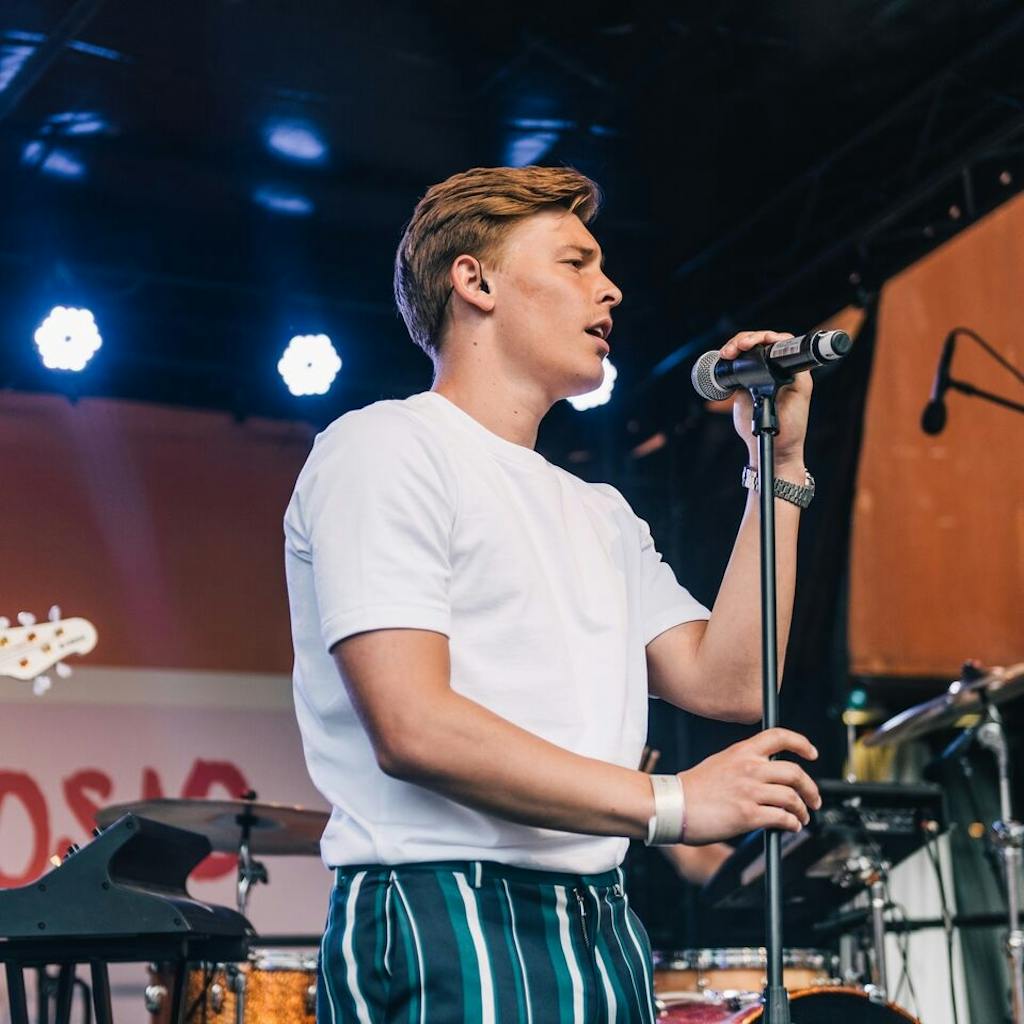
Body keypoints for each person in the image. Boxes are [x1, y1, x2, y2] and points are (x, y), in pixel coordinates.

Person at [283, 165, 821, 1024]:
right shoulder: (384, 446)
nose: (610, 289)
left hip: (599, 914)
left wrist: (776, 466)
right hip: (443, 898)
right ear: (476, 280)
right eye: (575, 262)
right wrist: (674, 802)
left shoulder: (599, 511)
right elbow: (414, 726)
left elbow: (733, 683)